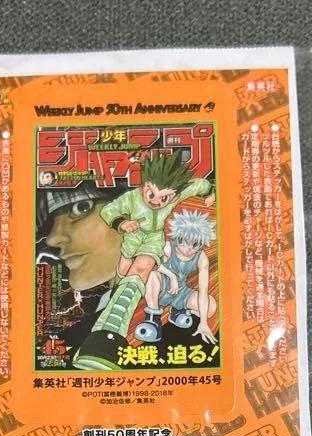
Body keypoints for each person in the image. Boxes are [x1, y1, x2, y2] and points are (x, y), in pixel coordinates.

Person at [73, 150, 214, 371]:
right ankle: (101, 333)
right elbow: (109, 210)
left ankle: (106, 340)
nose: (157, 202)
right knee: (122, 279)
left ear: (173, 194)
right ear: (144, 185)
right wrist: (121, 223)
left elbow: (200, 185)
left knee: (138, 274)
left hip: (152, 242)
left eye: (164, 198)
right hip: (130, 243)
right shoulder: (131, 198)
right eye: (151, 194)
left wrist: (211, 192)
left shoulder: (178, 194)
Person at [134, 209, 217, 345]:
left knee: (211, 307)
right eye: (183, 241)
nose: (188, 249)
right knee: (152, 275)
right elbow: (146, 262)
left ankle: (177, 311)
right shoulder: (167, 247)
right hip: (160, 287)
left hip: (180, 292)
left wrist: (203, 323)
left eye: (195, 244)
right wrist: (171, 275)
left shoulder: (202, 258)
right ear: (176, 236)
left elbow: (203, 292)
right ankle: (153, 318)